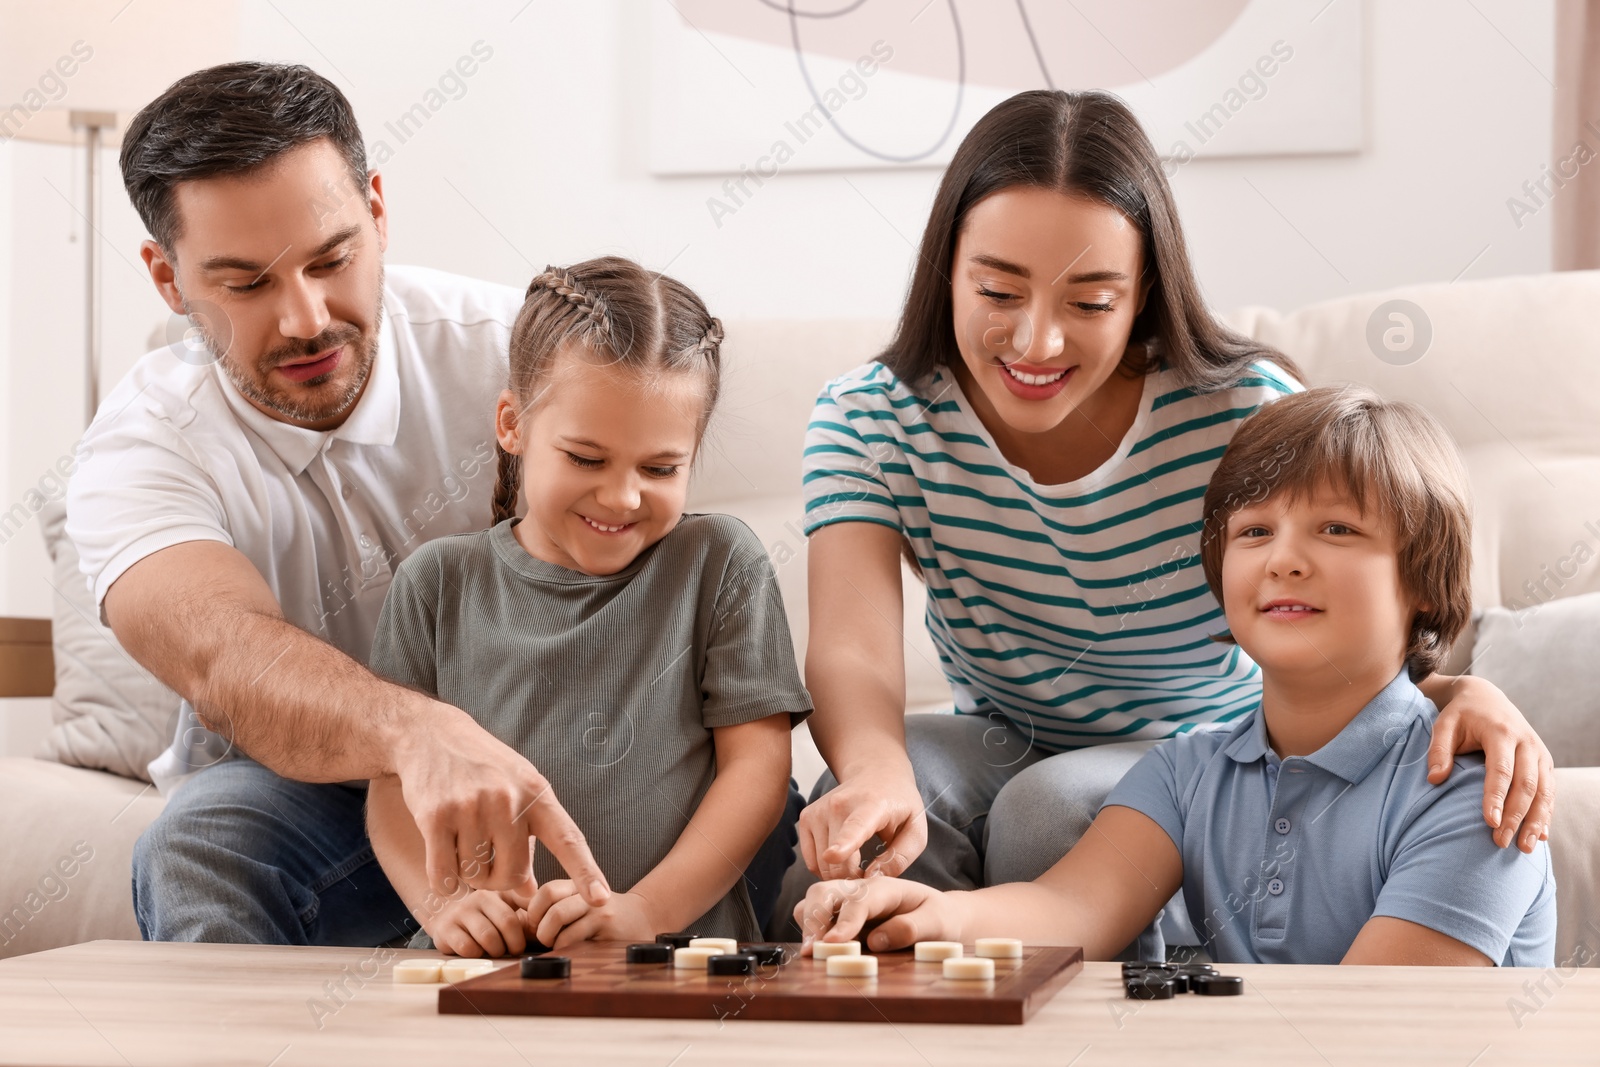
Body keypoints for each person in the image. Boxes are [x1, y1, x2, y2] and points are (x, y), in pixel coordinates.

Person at [66, 62, 800, 946]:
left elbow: (657, 553)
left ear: (377, 210)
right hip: (326, 805)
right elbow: (224, 660)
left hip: (598, 790)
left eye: (332, 259)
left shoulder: (530, 357)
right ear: (167, 277)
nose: (305, 318)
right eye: (246, 283)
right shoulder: (142, 444)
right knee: (204, 839)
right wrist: (416, 737)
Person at [783, 91, 1554, 931]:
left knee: (1047, 808)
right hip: (998, 732)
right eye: (999, 290)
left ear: (1144, 288)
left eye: (1089, 303)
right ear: (947, 269)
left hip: (1194, 750)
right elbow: (853, 646)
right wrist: (873, 769)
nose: (1037, 343)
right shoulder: (872, 416)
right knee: (876, 805)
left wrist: (1453, 690)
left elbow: (1357, 597)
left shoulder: (1243, 412)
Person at [796, 385, 1556, 967]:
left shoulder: (1478, 791)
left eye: (1336, 529)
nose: (1283, 558)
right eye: (1254, 531)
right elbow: (1067, 908)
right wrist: (935, 914)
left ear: (1424, 580)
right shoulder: (1187, 770)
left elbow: (1375, 1023)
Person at [366, 257, 810, 956]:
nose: (624, 497)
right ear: (513, 424)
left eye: (660, 469)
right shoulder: (436, 583)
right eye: (586, 458)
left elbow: (758, 772)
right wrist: (446, 906)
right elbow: (394, 790)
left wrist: (644, 912)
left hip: (676, 961)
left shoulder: (720, 564)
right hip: (485, 964)